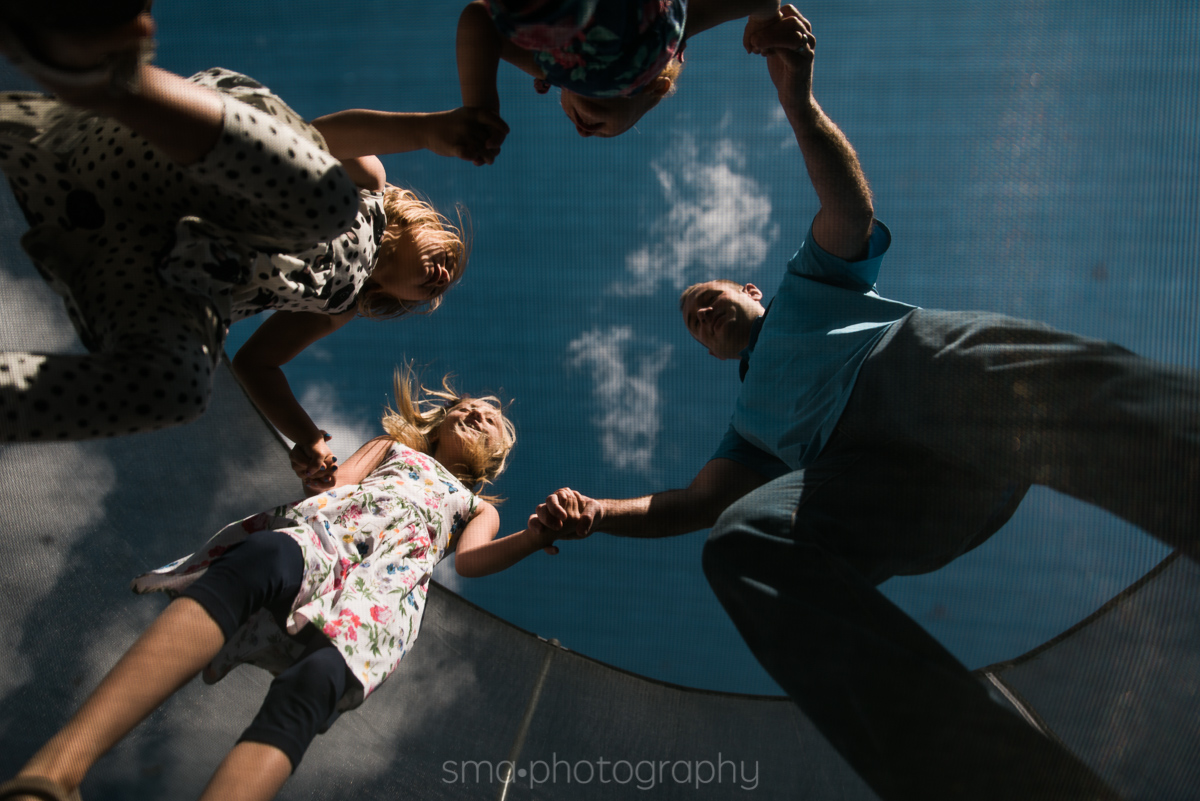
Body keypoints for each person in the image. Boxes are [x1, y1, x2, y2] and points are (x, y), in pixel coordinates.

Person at [528, 6, 1199, 800]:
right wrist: (596, 511)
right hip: (891, 491)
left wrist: (798, 102)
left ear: (749, 289)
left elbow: (845, 210)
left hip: (925, 386)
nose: (701, 314)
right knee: (740, 537)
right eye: (693, 323)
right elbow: (692, 502)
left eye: (706, 297)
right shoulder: (749, 427)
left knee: (935, 360)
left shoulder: (808, 287)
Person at [0, 366, 580, 801]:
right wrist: (318, 470)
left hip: (382, 597)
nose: (479, 414)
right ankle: (55, 771)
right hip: (330, 538)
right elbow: (333, 487)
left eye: (493, 421)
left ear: (492, 458)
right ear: (441, 416)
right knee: (262, 560)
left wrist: (531, 536)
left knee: (317, 683)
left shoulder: (475, 506)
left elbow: (473, 563)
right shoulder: (393, 448)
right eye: (469, 407)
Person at [0, 11, 509, 488]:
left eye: (437, 287)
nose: (442, 273)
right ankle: (106, 76)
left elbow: (257, 364)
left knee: (179, 388)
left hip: (152, 265)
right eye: (447, 255)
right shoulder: (369, 189)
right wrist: (425, 130)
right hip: (167, 162)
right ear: (421, 220)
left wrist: (305, 435)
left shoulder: (341, 305)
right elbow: (310, 138)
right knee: (325, 201)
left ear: (396, 300)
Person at [455, 0, 778, 148]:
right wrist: (764, 23)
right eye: (604, 131)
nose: (583, 132)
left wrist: (480, 109)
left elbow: (477, 18)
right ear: (658, 89)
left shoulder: (555, 65)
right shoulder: (667, 37)